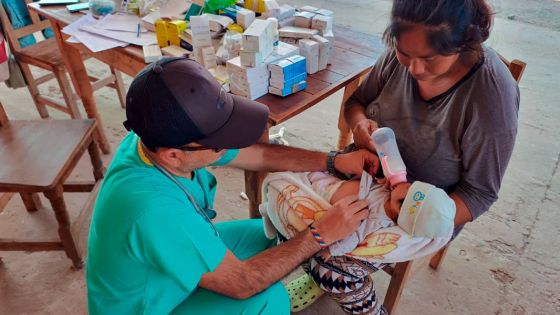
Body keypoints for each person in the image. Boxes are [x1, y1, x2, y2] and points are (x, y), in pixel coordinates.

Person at [273, 0, 519, 314]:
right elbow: (357, 102)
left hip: (425, 205)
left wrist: (409, 209)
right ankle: (318, 270)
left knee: (330, 266)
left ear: (464, 43)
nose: (414, 69)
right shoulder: (402, 54)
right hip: (366, 169)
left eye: (429, 59)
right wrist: (360, 125)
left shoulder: (491, 97)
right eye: (405, 54)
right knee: (283, 208)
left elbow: (479, 194)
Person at [85, 57, 381, 315]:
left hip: (165, 259)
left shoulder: (157, 134)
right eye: (218, 144)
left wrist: (333, 162)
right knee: (266, 298)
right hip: (151, 304)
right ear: (173, 155)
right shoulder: (152, 208)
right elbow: (242, 283)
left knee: (274, 227)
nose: (227, 147)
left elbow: (259, 154)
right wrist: (320, 234)